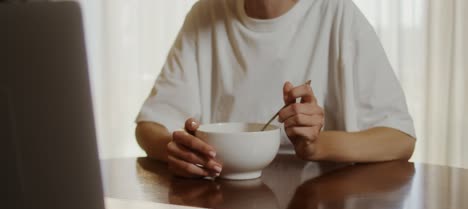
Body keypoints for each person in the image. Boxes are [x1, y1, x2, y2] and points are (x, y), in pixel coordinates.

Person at [135, 0, 416, 179]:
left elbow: (400, 139)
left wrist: (318, 146)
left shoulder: (338, 13)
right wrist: (175, 150)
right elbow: (151, 125)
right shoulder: (204, 14)